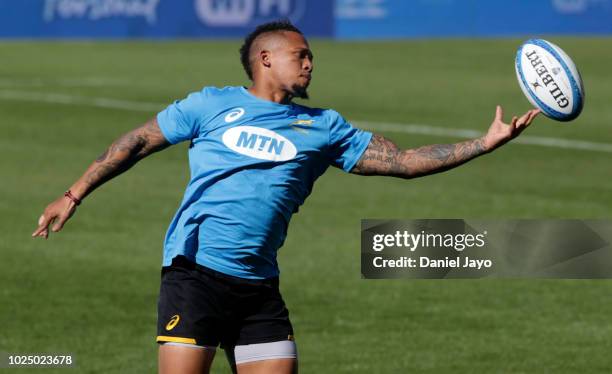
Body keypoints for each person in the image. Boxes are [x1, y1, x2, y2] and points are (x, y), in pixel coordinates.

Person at [32, 20, 539, 374]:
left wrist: (484, 143)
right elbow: (137, 141)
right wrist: (72, 194)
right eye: (302, 55)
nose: (312, 64)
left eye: (312, 56)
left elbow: (402, 162)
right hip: (194, 275)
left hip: (258, 289)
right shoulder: (210, 104)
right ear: (266, 58)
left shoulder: (325, 128)